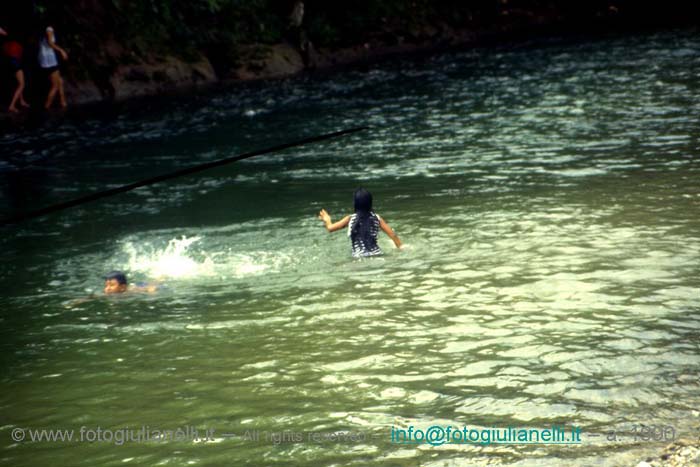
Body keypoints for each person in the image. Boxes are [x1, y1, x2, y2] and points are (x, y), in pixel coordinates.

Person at [318, 188, 403, 258]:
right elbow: (393, 235)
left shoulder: (350, 218)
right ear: (370, 203)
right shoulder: (377, 218)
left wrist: (327, 219)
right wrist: (400, 247)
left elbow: (330, 228)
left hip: (358, 256)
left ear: (355, 204)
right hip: (377, 254)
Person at [37, 25, 68, 109]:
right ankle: (46, 107)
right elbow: (50, 43)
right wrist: (61, 50)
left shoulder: (44, 30)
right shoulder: (49, 29)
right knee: (55, 85)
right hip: (49, 60)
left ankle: (63, 102)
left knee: (60, 80)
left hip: (46, 59)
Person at [0, 26, 29, 112]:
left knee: (19, 82)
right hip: (15, 61)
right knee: (22, 84)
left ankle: (21, 101)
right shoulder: (13, 40)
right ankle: (12, 105)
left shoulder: (5, 42)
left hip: (11, 61)